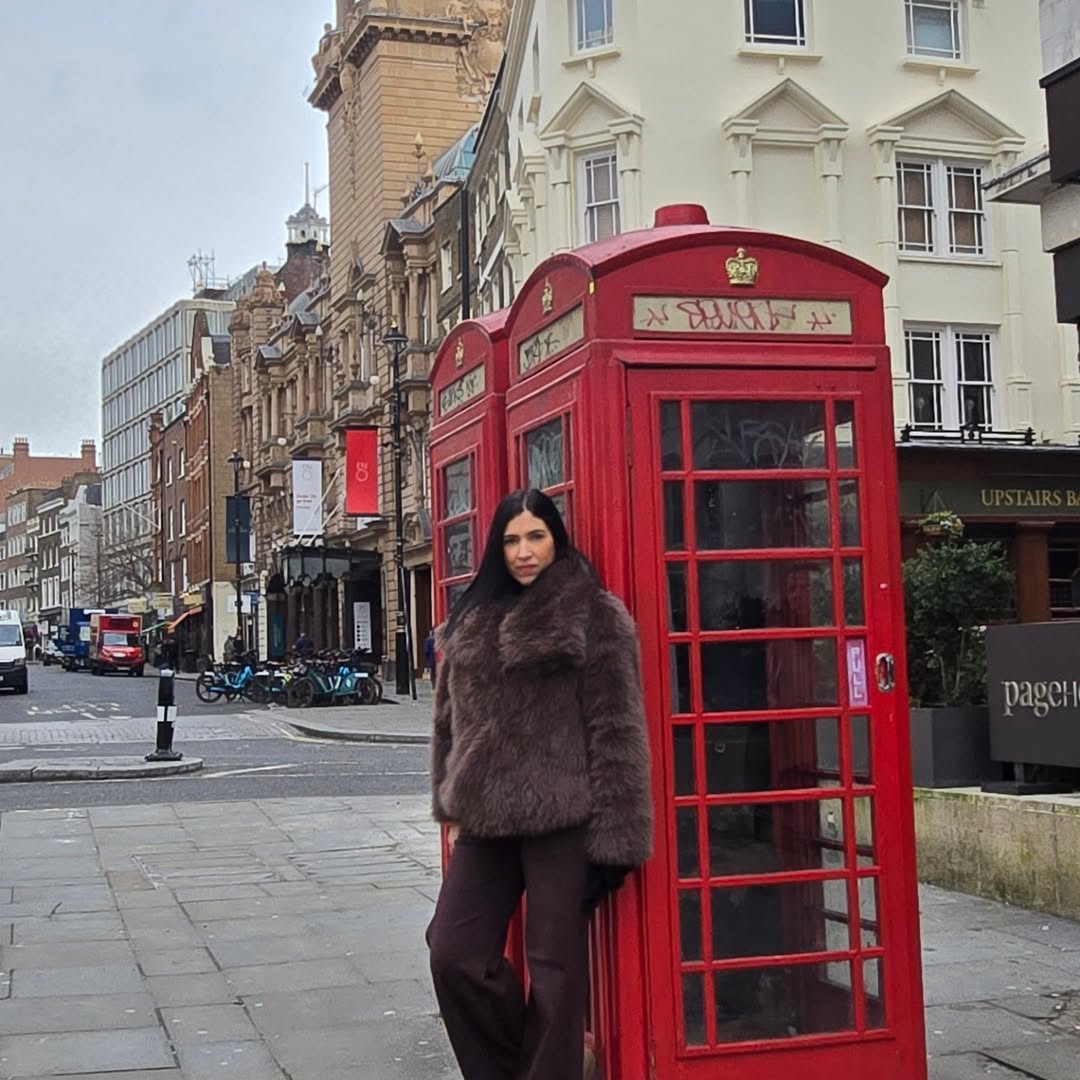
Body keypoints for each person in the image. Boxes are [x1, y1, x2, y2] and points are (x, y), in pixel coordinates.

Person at [426, 489, 653, 1080]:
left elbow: (615, 728)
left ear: (557, 540)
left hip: (563, 816)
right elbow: (447, 722)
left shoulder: (592, 614)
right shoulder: (471, 618)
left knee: (555, 970)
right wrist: (448, 803)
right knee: (452, 952)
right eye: (511, 540)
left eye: (536, 537)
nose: (523, 552)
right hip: (484, 818)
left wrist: (617, 839)